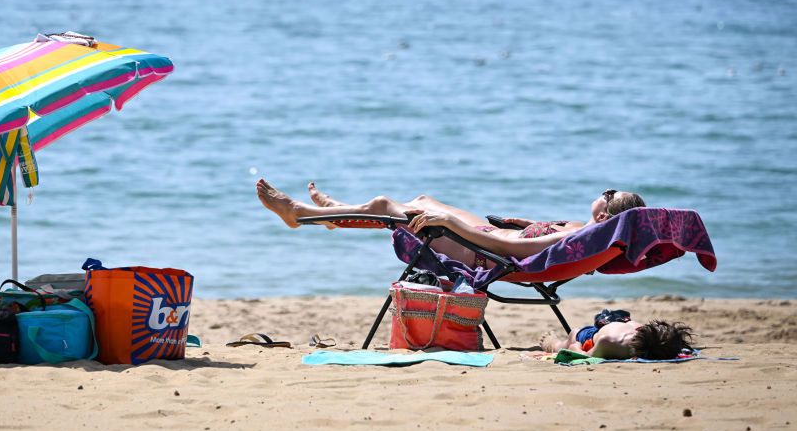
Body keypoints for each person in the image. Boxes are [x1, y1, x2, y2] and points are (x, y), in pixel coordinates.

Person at [254, 179, 646, 267]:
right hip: (493, 238)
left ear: (606, 211)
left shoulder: (585, 232)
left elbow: (518, 250)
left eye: (608, 192)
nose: (602, 191)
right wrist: (528, 223)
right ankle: (337, 215)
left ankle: (302, 214)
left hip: (487, 252)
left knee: (392, 209)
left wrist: (454, 227)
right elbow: (536, 240)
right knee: (421, 201)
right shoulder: (589, 232)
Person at [539, 310, 695, 360]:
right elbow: (579, 351)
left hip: (602, 330)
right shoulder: (612, 342)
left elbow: (580, 353)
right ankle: (552, 343)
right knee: (563, 344)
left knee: (569, 341)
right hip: (597, 332)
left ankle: (554, 343)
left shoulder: (613, 342)